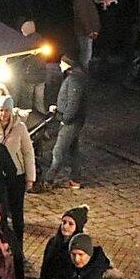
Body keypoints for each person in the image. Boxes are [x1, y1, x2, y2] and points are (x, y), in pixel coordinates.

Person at [43, 59, 89, 189]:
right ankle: (75, 179)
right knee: (73, 150)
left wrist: (65, 119)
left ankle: (48, 179)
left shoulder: (74, 80)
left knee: (58, 151)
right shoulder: (74, 77)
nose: (60, 65)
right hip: (72, 120)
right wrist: (58, 108)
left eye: (62, 63)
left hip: (71, 122)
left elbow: (73, 103)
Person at [0, 107, 35, 239]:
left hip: (17, 175)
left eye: (7, 110)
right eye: (1, 110)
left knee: (17, 213)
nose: (4, 114)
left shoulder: (20, 128)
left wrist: (30, 177)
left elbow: (28, 152)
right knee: (0, 212)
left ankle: (18, 243)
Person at [72, 0, 101, 66]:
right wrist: (89, 31)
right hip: (84, 32)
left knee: (86, 53)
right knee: (86, 54)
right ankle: (83, 71)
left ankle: (83, 70)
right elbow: (83, 15)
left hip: (85, 31)